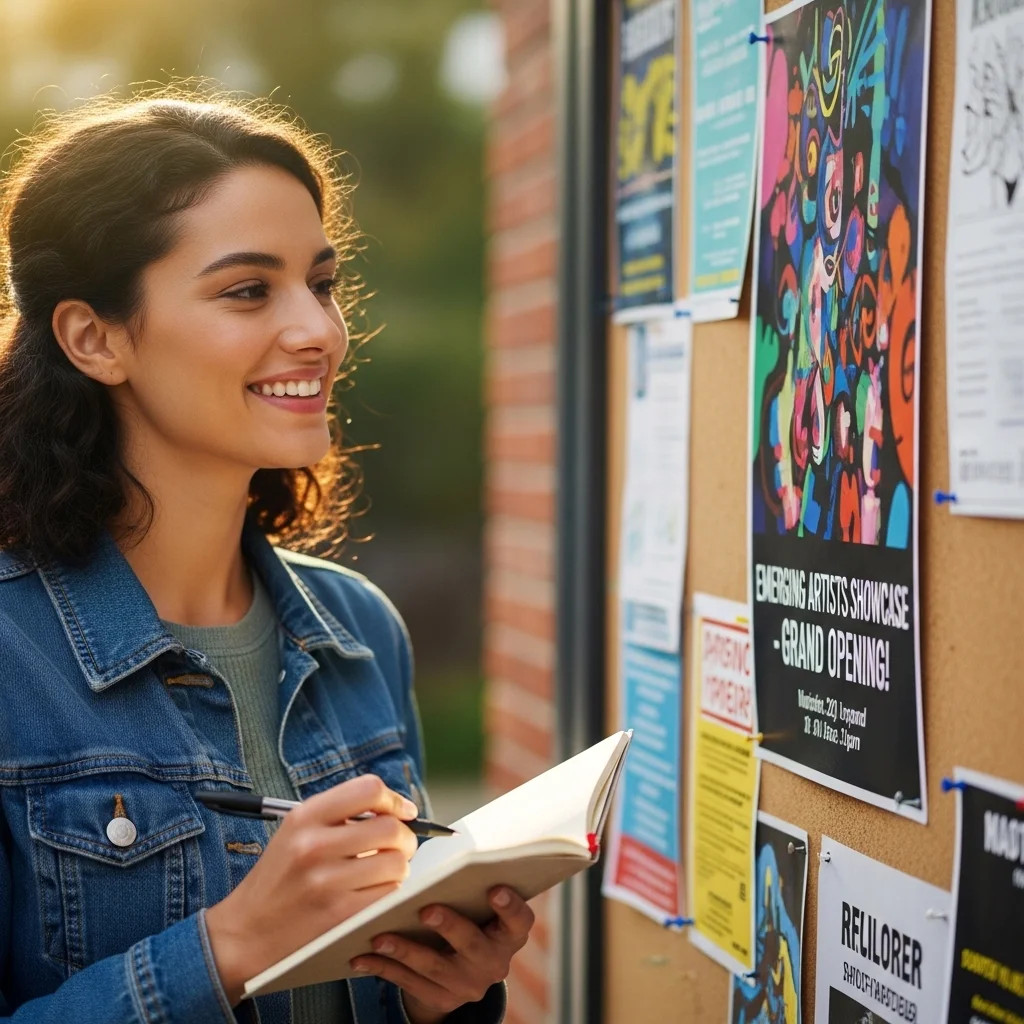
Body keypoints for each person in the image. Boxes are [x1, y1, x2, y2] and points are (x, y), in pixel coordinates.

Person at [0, 89, 533, 1023]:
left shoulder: (361, 629)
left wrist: (448, 998)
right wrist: (228, 948)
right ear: (94, 338)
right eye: (249, 290)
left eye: (321, 283)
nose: (320, 331)